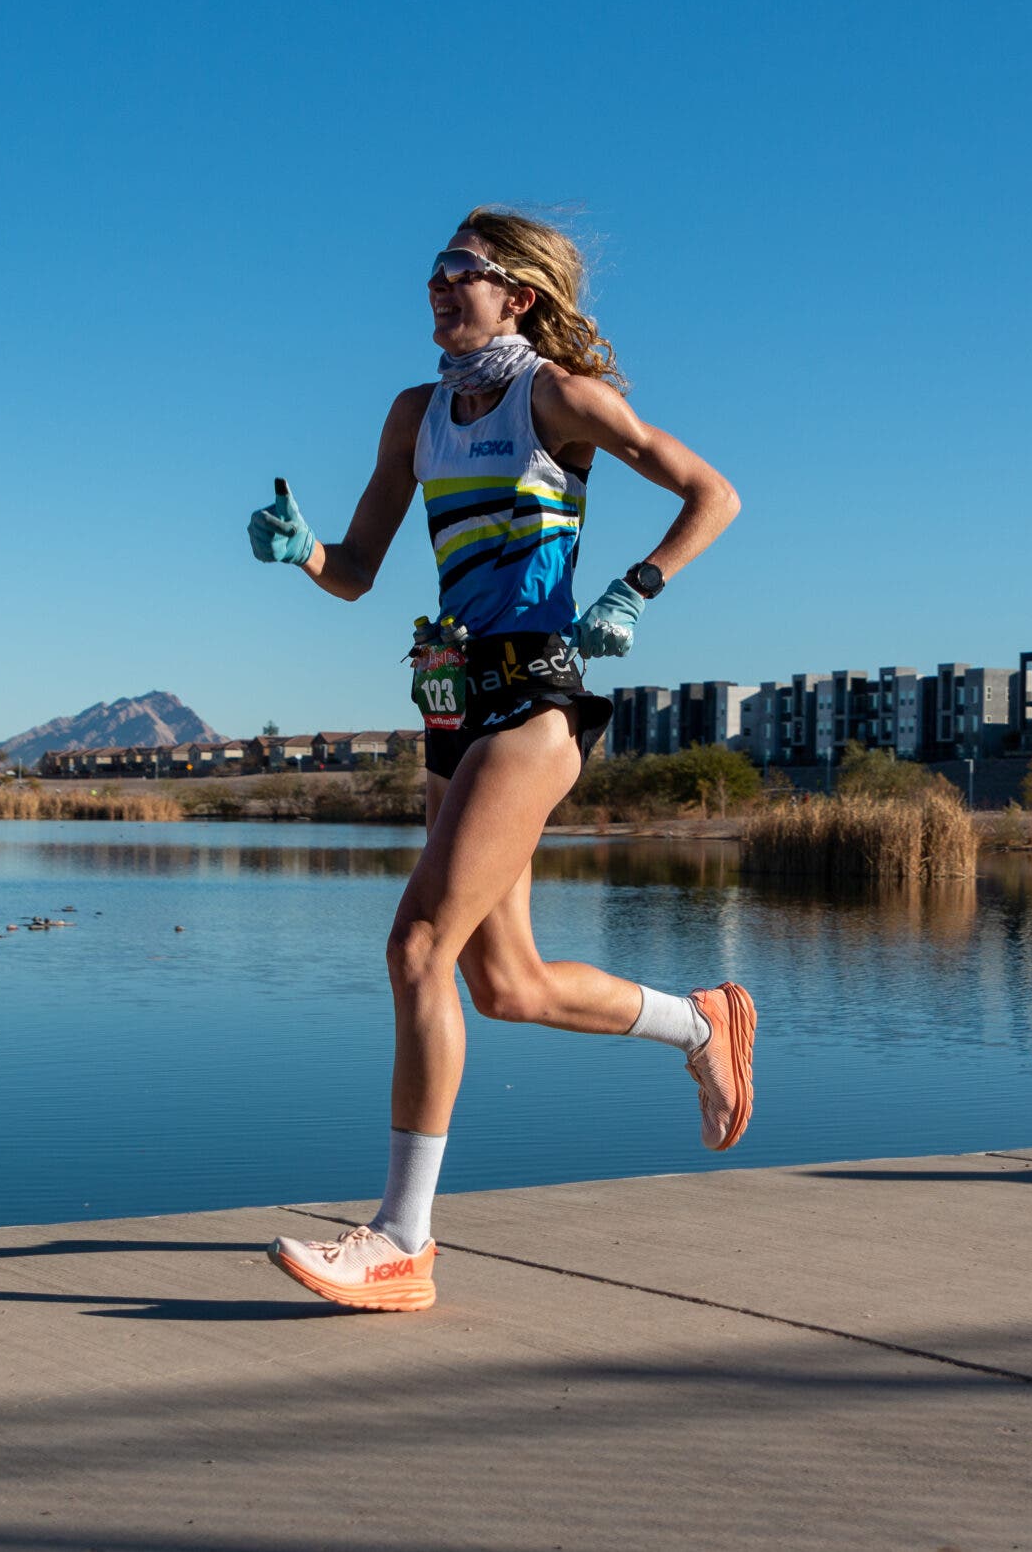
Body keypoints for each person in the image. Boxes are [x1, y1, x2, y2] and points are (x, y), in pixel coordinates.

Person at [245, 209, 748, 1313]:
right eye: (431, 271)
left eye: (460, 272)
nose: (436, 286)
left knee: (416, 944)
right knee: (502, 982)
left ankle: (400, 1241)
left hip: (534, 698)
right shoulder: (415, 414)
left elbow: (713, 494)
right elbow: (359, 571)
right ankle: (702, 1022)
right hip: (450, 695)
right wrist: (306, 555)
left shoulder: (556, 398)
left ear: (516, 293)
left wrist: (635, 589)